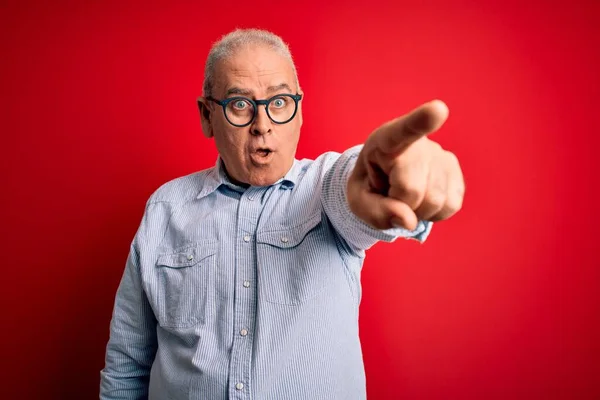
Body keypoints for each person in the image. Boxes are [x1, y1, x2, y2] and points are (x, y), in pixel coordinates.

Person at [99, 28, 464, 400]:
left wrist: (381, 178)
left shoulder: (325, 187)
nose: (262, 125)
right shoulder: (165, 209)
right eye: (240, 105)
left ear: (299, 111)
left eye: (279, 102)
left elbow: (351, 186)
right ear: (207, 116)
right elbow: (127, 365)